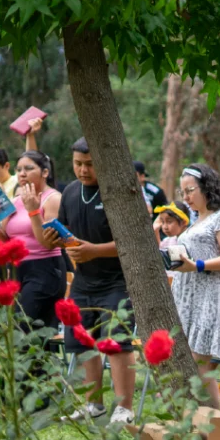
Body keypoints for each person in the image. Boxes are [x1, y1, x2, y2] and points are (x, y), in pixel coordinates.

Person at [48, 137, 136, 424]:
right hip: (83, 282)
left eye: (89, 164)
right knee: (83, 341)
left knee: (117, 343)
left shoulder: (116, 193)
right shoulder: (70, 192)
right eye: (78, 164)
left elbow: (132, 241)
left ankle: (124, 408)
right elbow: (67, 235)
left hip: (117, 282)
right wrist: (59, 240)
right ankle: (93, 405)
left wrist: (93, 250)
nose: (83, 170)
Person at [172, 164, 220, 408]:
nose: (186, 197)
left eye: (190, 190)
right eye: (183, 192)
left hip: (210, 297)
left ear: (206, 188)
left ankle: (217, 428)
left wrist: (197, 265)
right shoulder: (195, 221)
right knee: (191, 366)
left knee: (200, 366)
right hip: (188, 297)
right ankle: (198, 424)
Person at [0, 151, 65, 332]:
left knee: (23, 329)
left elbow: (48, 243)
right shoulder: (14, 201)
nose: (22, 173)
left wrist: (34, 211)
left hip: (45, 269)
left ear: (45, 173)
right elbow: (2, 244)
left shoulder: (53, 199)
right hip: (17, 270)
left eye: (28, 168)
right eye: (18, 169)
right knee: (13, 330)